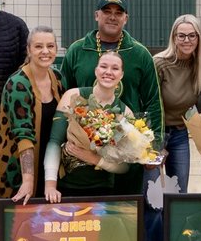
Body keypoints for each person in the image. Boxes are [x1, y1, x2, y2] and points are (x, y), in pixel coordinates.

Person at [61, 0, 163, 197]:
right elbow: (64, 97)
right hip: (84, 152)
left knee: (128, 211)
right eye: (107, 11)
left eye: (119, 13)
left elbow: (153, 101)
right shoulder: (77, 50)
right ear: (96, 15)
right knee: (89, 213)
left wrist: (155, 145)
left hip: (126, 149)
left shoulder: (140, 53)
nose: (112, 16)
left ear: (126, 18)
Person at [0, 26, 64, 204]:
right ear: (28, 50)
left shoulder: (57, 77)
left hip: (47, 162)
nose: (45, 51)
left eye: (50, 46)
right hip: (14, 169)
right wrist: (28, 180)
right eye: (38, 46)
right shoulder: (18, 83)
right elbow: (24, 134)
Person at [45, 52, 135, 201]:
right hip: (65, 187)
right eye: (103, 66)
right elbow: (54, 142)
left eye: (115, 68)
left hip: (102, 189)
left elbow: (125, 166)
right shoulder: (73, 96)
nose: (108, 72)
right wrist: (50, 185)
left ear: (122, 75)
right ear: (96, 70)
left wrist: (95, 159)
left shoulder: (126, 113)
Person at [153, 14, 201, 197]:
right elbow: (152, 104)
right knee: (154, 191)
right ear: (174, 38)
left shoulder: (199, 66)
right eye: (181, 35)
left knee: (179, 191)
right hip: (157, 132)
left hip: (180, 134)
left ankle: (174, 226)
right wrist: (157, 142)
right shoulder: (160, 63)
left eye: (192, 35)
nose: (187, 40)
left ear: (198, 38)